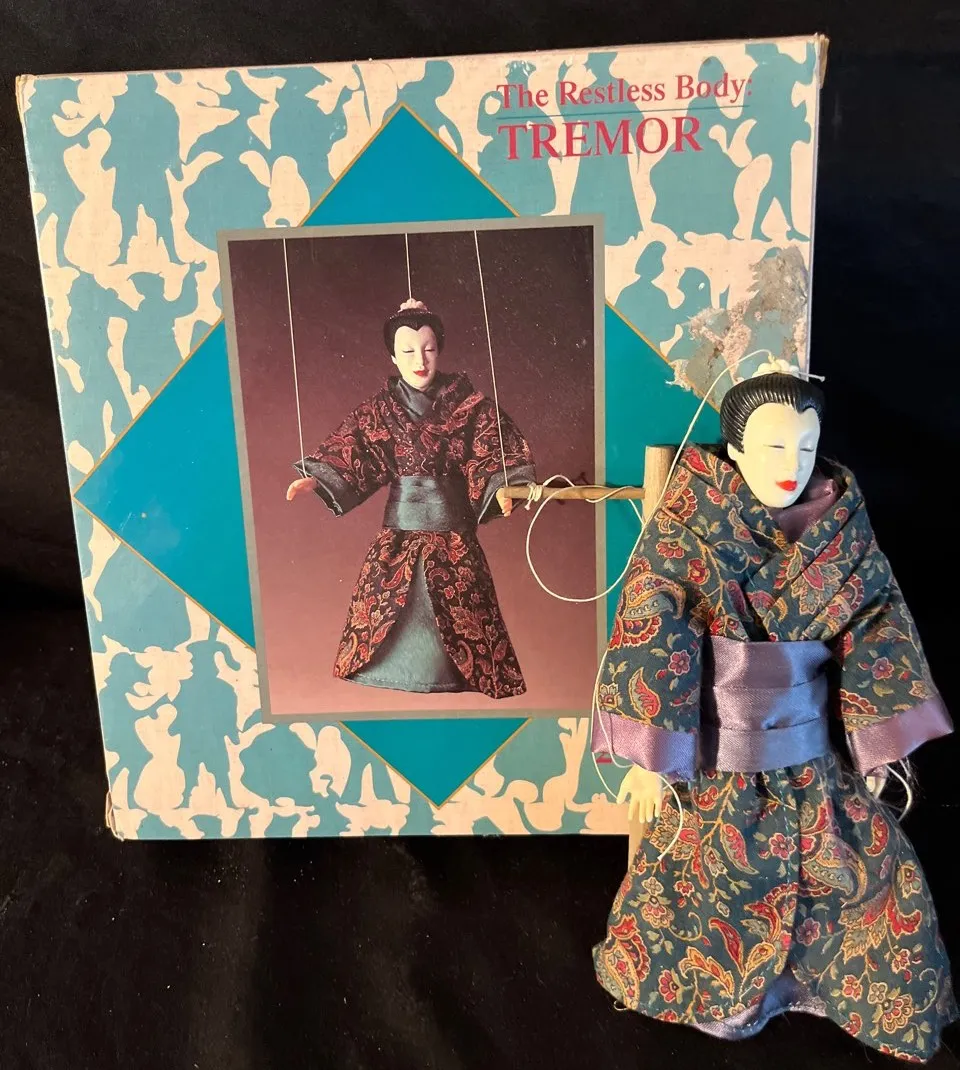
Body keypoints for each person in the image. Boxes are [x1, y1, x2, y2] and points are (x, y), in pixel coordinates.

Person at [591, 362, 955, 1061]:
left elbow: (877, 625)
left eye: (805, 447)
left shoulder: (843, 528)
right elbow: (652, 625)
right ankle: (732, 996)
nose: (791, 466)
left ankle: (825, 987)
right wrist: (651, 756)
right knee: (709, 882)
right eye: (773, 446)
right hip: (717, 757)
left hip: (814, 755)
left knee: (869, 873)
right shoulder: (688, 526)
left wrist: (877, 740)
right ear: (735, 449)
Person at [286, 298, 534, 699]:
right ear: (393, 356)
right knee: (390, 615)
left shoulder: (470, 406)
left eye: (428, 349)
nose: (420, 360)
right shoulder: (380, 411)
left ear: (440, 350)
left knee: (462, 617)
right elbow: (357, 448)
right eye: (407, 351)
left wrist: (503, 486)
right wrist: (316, 478)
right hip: (399, 536)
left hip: (453, 536)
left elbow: (493, 450)